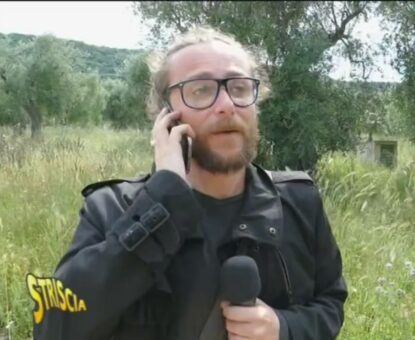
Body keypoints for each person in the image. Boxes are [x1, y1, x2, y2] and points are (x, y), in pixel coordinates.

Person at [32, 25, 347, 340]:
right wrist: (161, 202)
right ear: (165, 115)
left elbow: (330, 302)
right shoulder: (111, 210)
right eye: (201, 90)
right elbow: (53, 328)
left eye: (239, 87)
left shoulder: (300, 203)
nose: (226, 104)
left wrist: (285, 328)